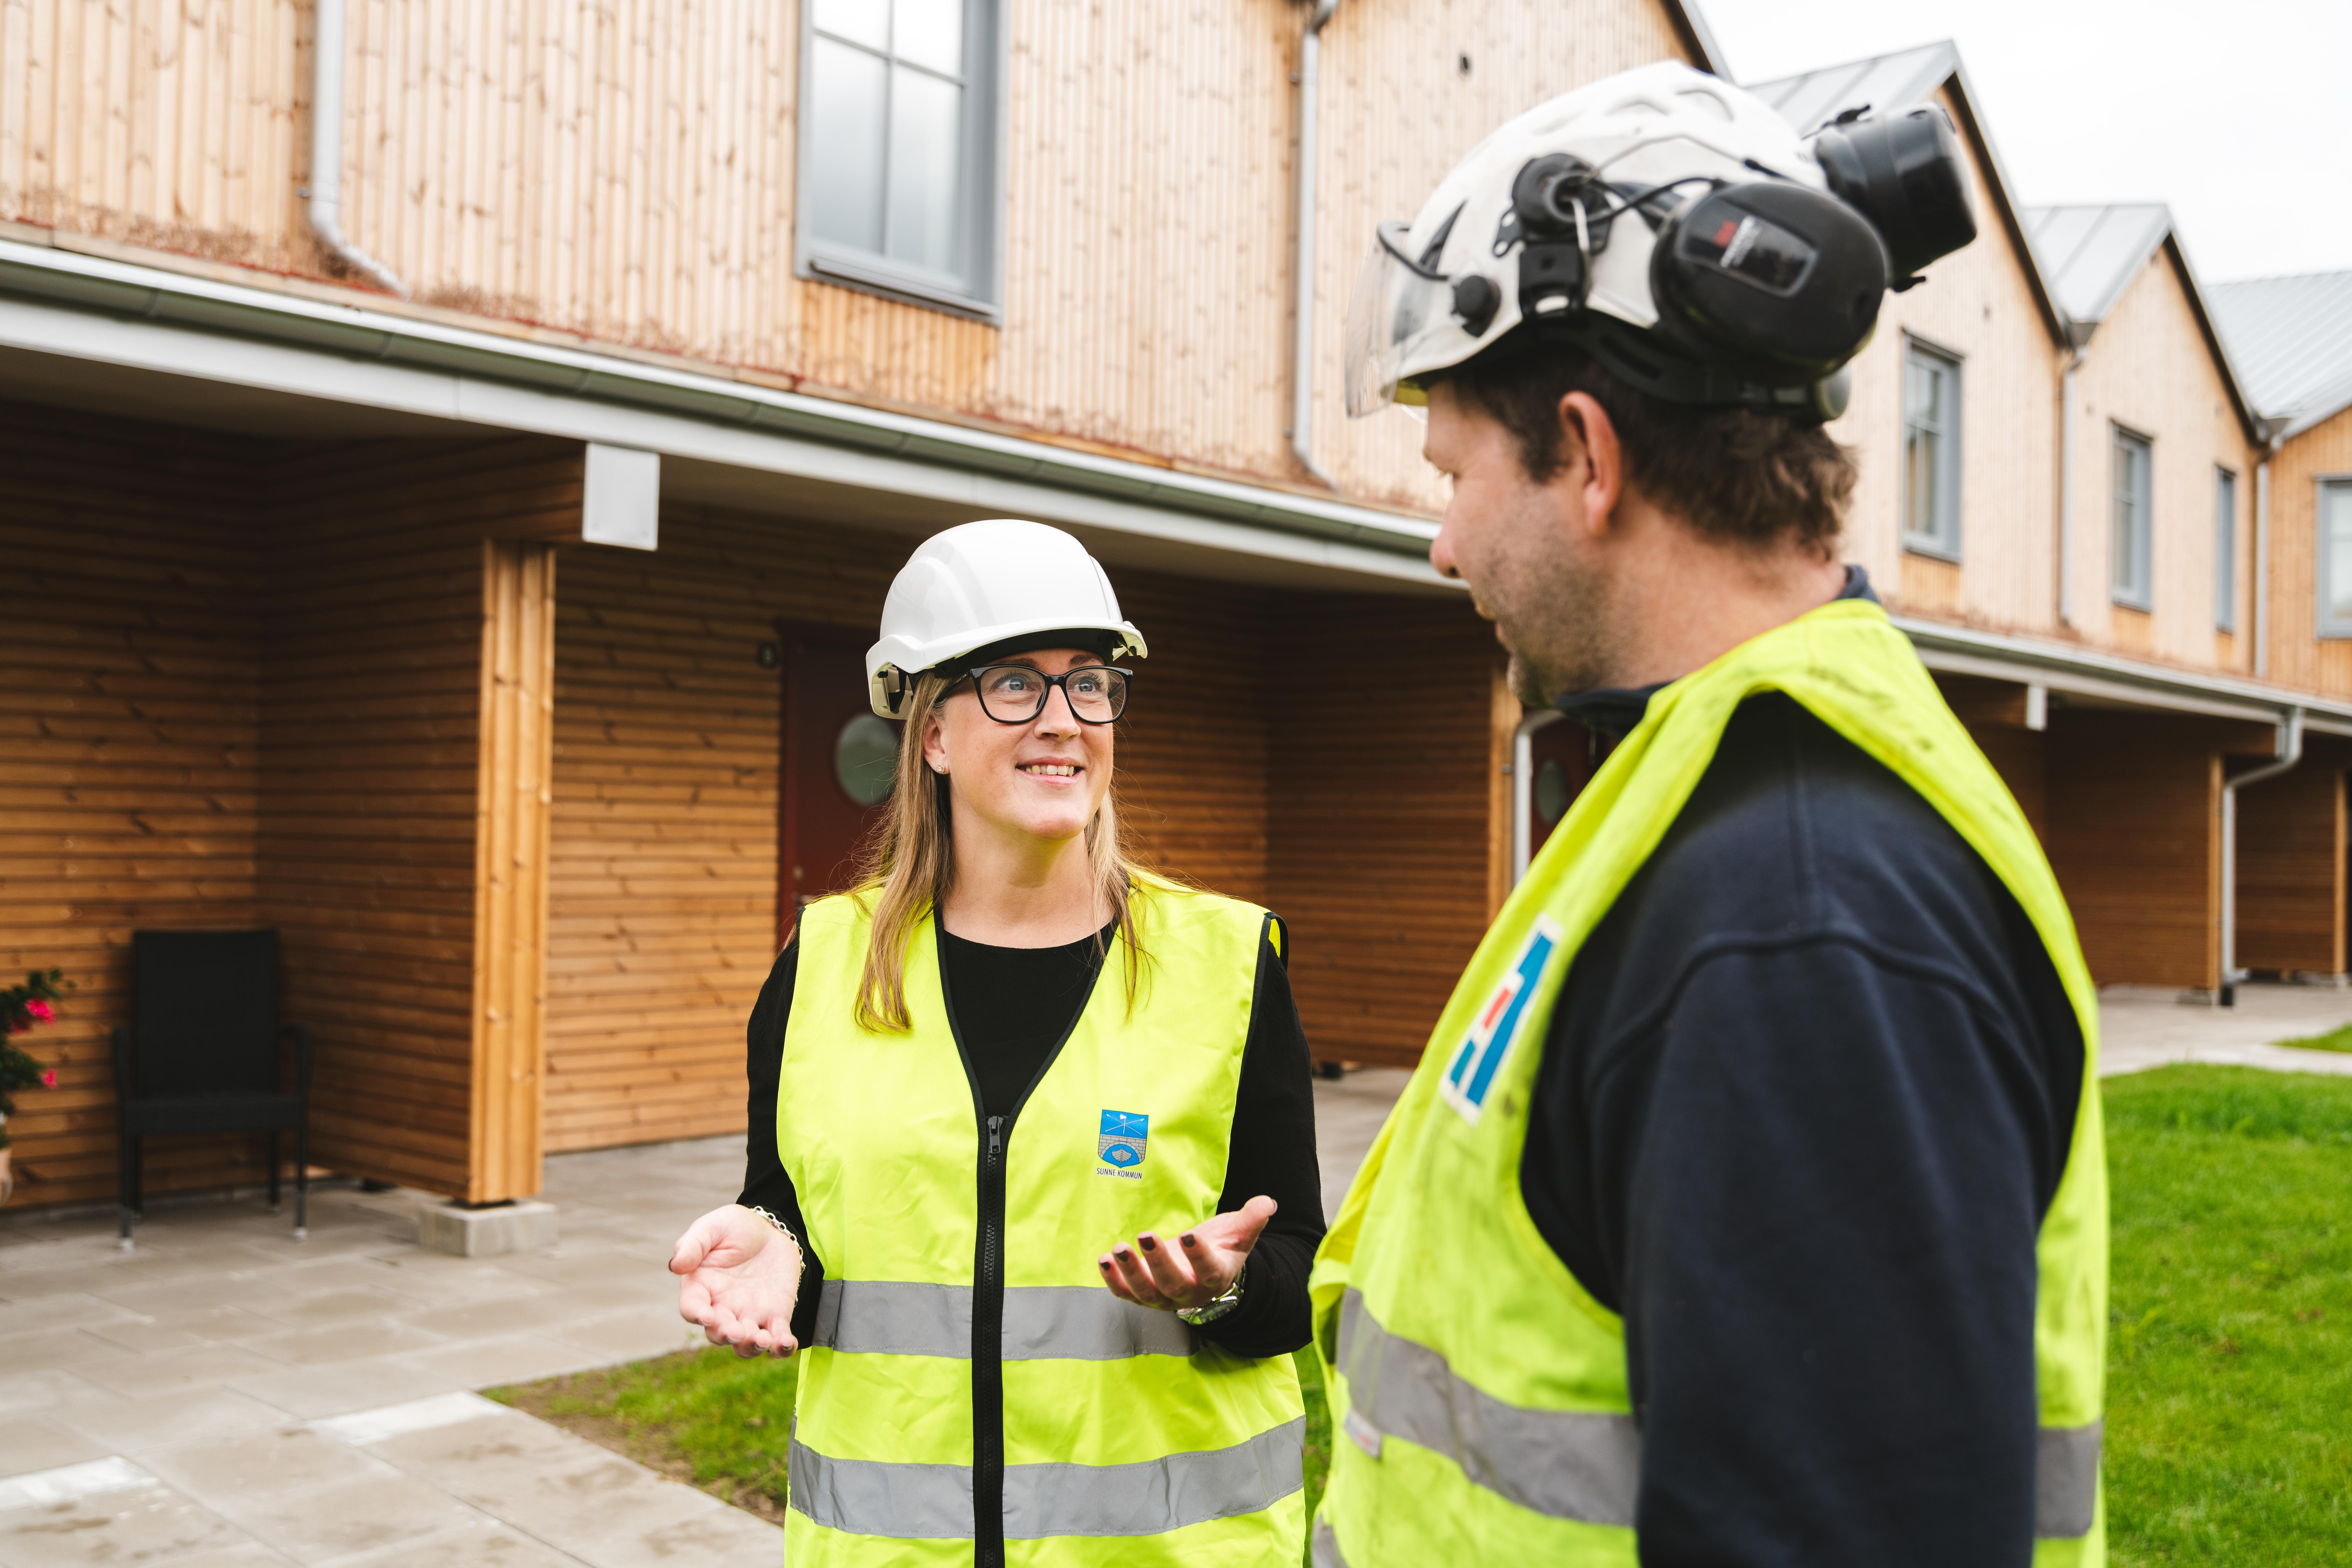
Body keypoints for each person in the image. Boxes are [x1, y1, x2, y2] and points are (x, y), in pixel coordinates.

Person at [1311, 62, 2106, 1567]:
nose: (1440, 544)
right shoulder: (1706, 817)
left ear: (1588, 458)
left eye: (1459, 473)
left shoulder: (1796, 917)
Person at [668, 518, 1325, 1568]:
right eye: (1015, 684)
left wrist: (1226, 1287)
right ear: (930, 732)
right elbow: (791, 1213)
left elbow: (1293, 1267)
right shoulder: (823, 961)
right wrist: (775, 1251)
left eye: (1090, 684)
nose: (1065, 719)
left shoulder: (1228, 962)